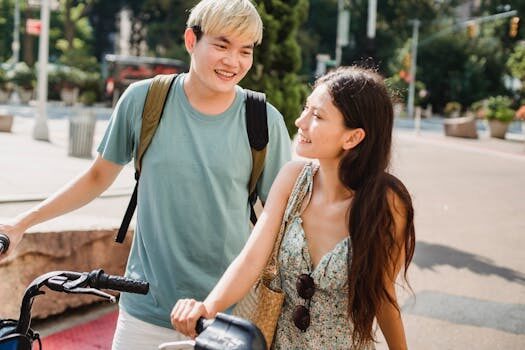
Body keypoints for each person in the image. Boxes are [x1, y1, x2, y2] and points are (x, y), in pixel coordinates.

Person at [0, 0, 291, 348]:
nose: (234, 61)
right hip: (144, 309)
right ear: (190, 40)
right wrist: (22, 223)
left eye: (246, 51)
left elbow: (283, 219)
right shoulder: (144, 101)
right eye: (222, 45)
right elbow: (96, 178)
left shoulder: (263, 119)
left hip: (225, 318)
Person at [171, 66, 416, 350]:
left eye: (318, 115)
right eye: (306, 108)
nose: (300, 121)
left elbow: (383, 297)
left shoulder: (387, 202)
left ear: (352, 137)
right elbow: (252, 259)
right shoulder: (293, 180)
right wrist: (208, 307)